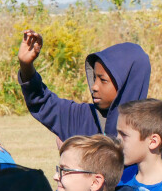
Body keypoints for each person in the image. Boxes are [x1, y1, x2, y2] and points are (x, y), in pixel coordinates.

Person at [17, 29, 150, 143]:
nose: (94, 87)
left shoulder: (149, 131)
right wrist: (26, 66)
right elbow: (42, 102)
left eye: (103, 80)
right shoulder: (83, 117)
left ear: (126, 85)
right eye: (94, 78)